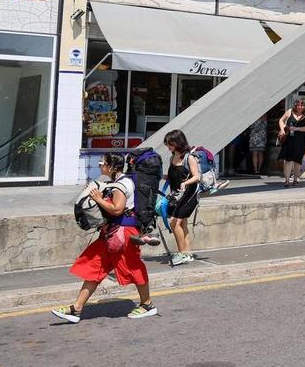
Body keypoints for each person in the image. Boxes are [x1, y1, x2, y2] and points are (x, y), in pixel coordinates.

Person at [52, 153, 157, 322]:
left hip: (122, 234)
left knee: (133, 267)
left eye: (102, 163)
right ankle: (76, 309)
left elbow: (117, 209)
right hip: (111, 234)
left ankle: (147, 304)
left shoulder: (121, 186)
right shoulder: (117, 183)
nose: (100, 165)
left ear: (111, 167)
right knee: (95, 267)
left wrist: (99, 199)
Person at [164, 129, 201, 266]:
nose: (168, 147)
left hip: (189, 195)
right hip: (176, 195)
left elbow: (197, 177)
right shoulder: (172, 157)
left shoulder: (189, 157)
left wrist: (185, 183)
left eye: (170, 144)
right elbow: (174, 175)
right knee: (182, 224)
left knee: (175, 223)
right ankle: (187, 253)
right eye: (167, 144)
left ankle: (181, 253)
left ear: (178, 143)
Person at [278, 100, 305, 187]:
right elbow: (281, 120)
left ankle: (295, 179)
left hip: (301, 140)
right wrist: (282, 130)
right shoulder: (289, 111)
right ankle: (286, 180)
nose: (300, 107)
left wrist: (296, 129)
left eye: (302, 106)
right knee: (288, 159)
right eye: (298, 105)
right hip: (289, 139)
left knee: (297, 160)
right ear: (295, 105)